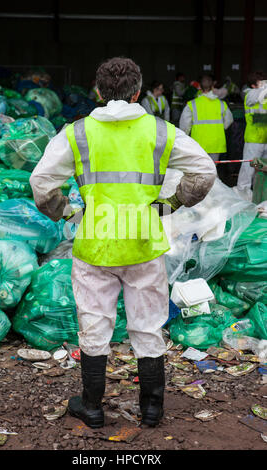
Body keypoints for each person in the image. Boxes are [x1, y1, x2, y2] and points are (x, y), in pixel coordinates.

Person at [30, 57, 216, 429]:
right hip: (144, 243)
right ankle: (151, 409)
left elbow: (41, 184)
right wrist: (172, 203)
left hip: (95, 245)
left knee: (95, 327)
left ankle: (93, 408)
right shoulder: (161, 131)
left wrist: (68, 213)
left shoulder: (78, 133)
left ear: (98, 92)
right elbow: (205, 171)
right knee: (147, 327)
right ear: (137, 92)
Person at [179, 74, 233, 162]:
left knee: (200, 169)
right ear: (212, 86)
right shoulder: (221, 104)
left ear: (199, 87)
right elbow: (229, 120)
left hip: (198, 144)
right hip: (216, 143)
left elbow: (184, 126)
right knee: (212, 169)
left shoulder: (192, 104)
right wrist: (219, 128)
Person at [236, 71, 267, 194]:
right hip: (254, 140)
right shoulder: (250, 94)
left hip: (265, 139)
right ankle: (242, 194)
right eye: (262, 82)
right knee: (248, 169)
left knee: (262, 169)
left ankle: (259, 194)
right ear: (253, 85)